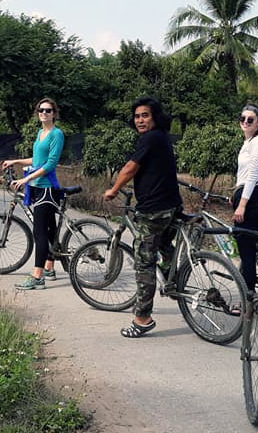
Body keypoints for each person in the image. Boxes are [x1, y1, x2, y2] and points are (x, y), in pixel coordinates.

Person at [104, 97, 182, 338]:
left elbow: (130, 168)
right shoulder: (162, 138)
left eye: (145, 115)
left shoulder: (150, 138)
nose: (140, 120)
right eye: (137, 116)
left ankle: (142, 318)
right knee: (165, 248)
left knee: (144, 262)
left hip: (153, 211)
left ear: (155, 117)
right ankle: (174, 281)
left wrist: (114, 189)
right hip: (171, 206)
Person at [2, 98, 65, 290]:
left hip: (47, 188)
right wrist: (15, 161)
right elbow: (36, 159)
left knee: (39, 233)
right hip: (37, 187)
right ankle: (50, 267)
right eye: (41, 110)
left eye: (48, 110)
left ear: (54, 113)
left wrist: (25, 179)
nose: (44, 113)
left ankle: (37, 276)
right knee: (50, 229)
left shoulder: (56, 134)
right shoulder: (40, 133)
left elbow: (50, 164)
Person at [232, 104, 258, 292]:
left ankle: (248, 297)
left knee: (248, 250)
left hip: (253, 196)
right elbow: (245, 175)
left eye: (250, 120)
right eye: (243, 119)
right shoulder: (249, 142)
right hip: (252, 193)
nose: (245, 122)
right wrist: (235, 194)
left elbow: (253, 174)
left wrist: (242, 204)